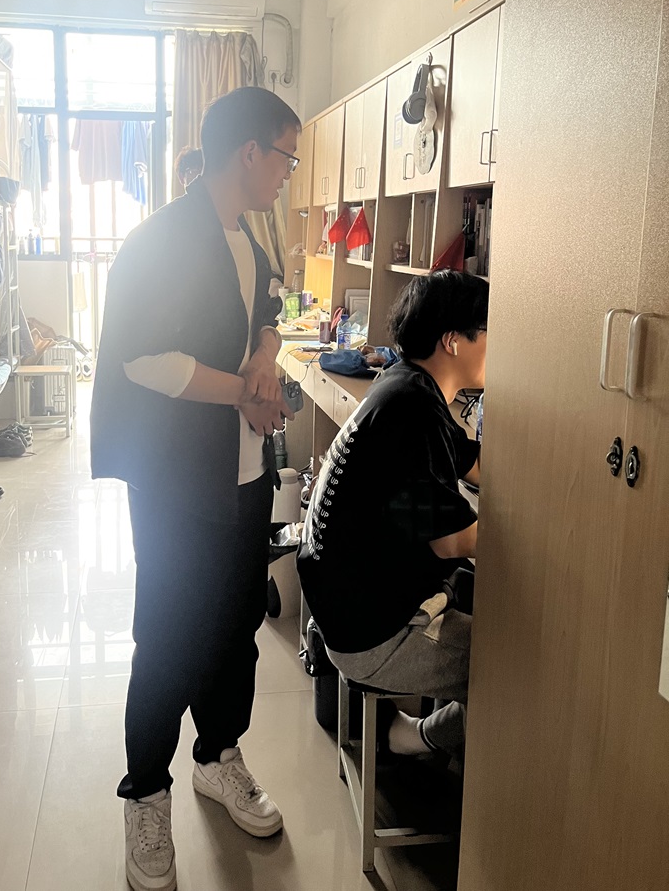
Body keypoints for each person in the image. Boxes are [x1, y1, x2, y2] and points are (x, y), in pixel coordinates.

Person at [91, 86, 301, 891]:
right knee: (170, 635)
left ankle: (217, 756)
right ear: (249, 152)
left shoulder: (246, 236)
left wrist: (267, 355)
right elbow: (145, 358)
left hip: (244, 475)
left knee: (236, 625)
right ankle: (146, 792)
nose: (286, 172)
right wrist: (244, 391)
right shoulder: (162, 241)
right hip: (178, 479)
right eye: (284, 157)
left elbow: (269, 308)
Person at [297, 270, 488, 760]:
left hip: (344, 606)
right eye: (490, 332)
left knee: (486, 598)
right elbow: (452, 541)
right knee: (515, 666)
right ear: (453, 341)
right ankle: (418, 739)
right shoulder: (412, 411)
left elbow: (476, 465)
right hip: (370, 636)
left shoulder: (408, 384)